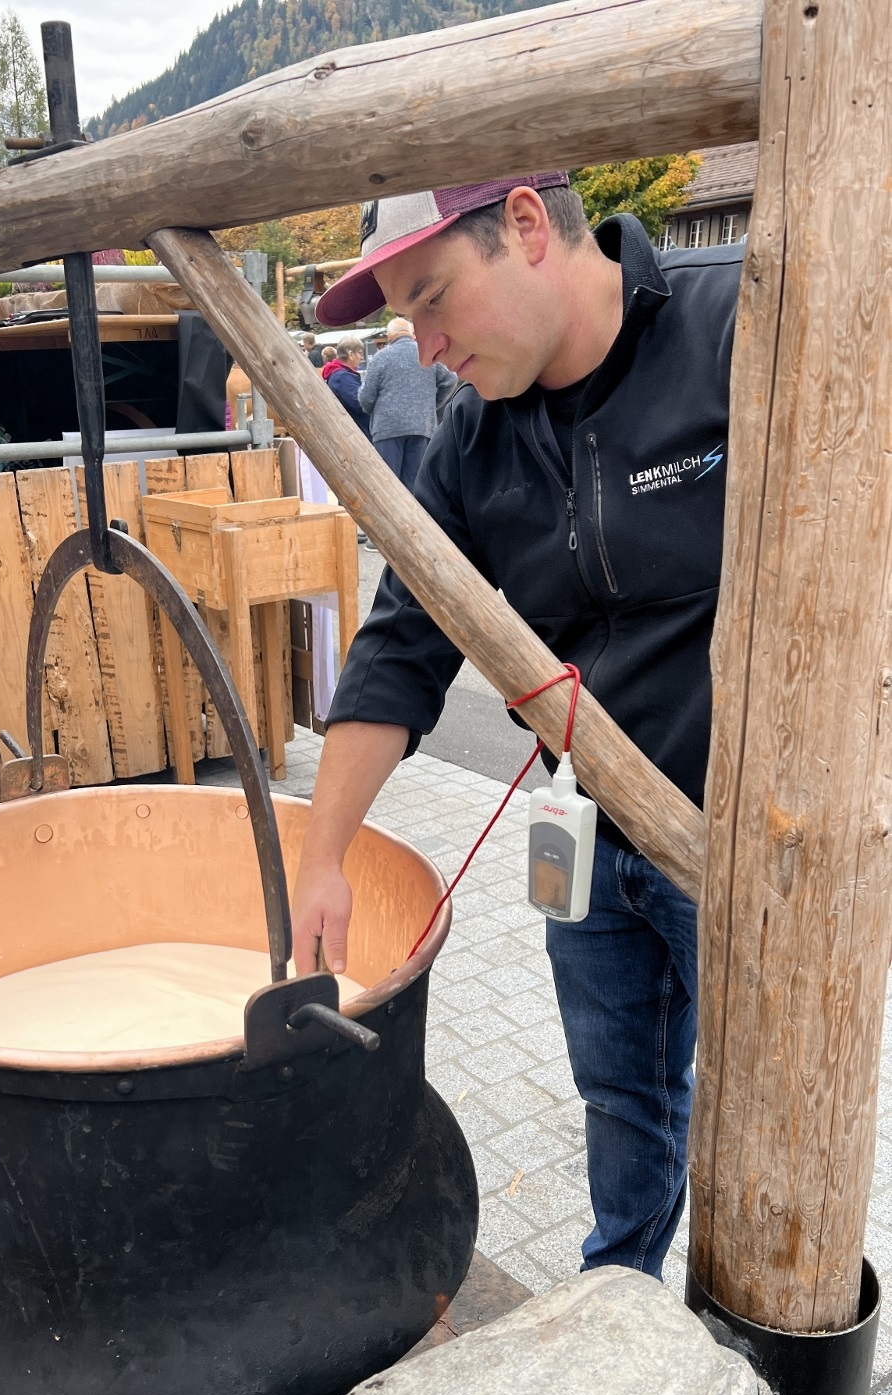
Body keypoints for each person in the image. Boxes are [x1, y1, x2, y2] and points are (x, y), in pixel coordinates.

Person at [297, 174, 742, 1281]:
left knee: (758, 1126)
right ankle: (616, 1299)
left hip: (748, 852)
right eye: (404, 320)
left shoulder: (736, 324)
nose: (427, 345)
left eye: (433, 299)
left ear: (529, 229)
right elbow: (403, 644)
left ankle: (742, 1353)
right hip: (587, 841)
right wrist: (320, 855)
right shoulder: (470, 442)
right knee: (620, 1097)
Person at [357, 316, 457, 492]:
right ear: (411, 333)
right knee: (415, 486)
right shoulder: (425, 354)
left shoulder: (381, 358)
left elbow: (366, 397)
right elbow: (450, 379)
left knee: (387, 486)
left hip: (388, 428)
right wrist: (431, 405)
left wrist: (374, 411)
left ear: (389, 336)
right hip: (422, 426)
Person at [322, 335, 372, 439]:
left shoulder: (337, 374)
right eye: (360, 353)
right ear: (351, 354)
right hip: (358, 434)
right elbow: (360, 403)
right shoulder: (343, 377)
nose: (362, 357)